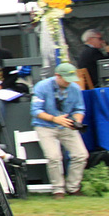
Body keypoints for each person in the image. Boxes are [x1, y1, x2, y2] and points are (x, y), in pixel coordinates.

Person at [30, 63, 88, 197]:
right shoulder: (42, 87)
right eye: (66, 78)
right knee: (54, 157)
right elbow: (35, 111)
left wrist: (77, 121)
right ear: (57, 76)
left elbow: (79, 109)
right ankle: (58, 189)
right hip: (45, 125)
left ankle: (73, 187)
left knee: (81, 155)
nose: (69, 82)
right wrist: (55, 119)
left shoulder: (75, 89)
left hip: (66, 125)